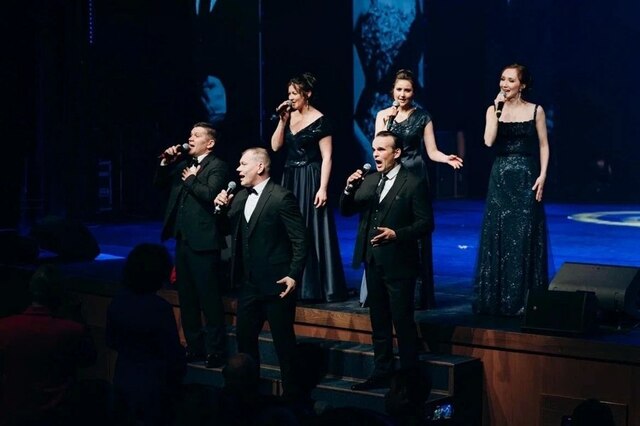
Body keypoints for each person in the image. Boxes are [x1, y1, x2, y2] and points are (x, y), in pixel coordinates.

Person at [361, 69, 463, 310]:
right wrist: (388, 122)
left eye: (407, 90)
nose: (402, 94)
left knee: (414, 230)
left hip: (414, 175)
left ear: (414, 92)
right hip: (390, 173)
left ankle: (416, 295)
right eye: (399, 89)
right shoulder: (383, 115)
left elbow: (432, 151)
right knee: (388, 224)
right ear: (392, 91)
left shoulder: (423, 117)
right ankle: (384, 290)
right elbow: (378, 147)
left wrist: (446, 158)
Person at [340, 131, 432, 391]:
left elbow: (426, 223)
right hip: (373, 262)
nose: (375, 155)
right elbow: (346, 210)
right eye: (374, 149)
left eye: (381, 150)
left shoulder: (413, 182)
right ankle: (382, 370)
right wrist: (349, 188)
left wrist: (397, 234)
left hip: (400, 264)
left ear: (397, 152)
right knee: (378, 320)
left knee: (402, 321)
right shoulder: (370, 180)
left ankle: (409, 378)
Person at [214, 147, 308, 398]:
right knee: (245, 341)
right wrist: (220, 209)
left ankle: (293, 397)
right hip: (249, 285)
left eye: (243, 164)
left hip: (277, 284)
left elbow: (300, 239)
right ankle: (248, 395)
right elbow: (226, 231)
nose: (238, 169)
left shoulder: (281, 197)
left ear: (260, 167)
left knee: (284, 344)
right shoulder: (240, 197)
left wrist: (294, 274)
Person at [473, 63, 550, 316]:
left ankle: (524, 298)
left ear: (522, 85)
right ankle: (499, 298)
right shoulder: (493, 109)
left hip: (526, 177)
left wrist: (542, 175)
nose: (504, 84)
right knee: (499, 233)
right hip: (501, 179)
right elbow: (488, 141)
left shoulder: (536, 110)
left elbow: (543, 145)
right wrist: (497, 110)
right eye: (502, 79)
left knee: (524, 234)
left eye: (510, 80)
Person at [154, 122, 230, 368]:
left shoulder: (217, 166)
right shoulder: (184, 164)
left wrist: (191, 180)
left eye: (196, 135)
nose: (190, 138)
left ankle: (215, 350)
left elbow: (210, 194)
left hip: (204, 242)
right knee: (187, 298)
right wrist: (166, 162)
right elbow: (159, 185)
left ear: (210, 143)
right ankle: (194, 347)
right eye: (190, 134)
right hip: (183, 241)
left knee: (209, 299)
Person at [270, 72, 347, 303]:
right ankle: (289, 279)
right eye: (289, 93)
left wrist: (323, 188)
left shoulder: (320, 120)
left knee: (310, 227)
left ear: (308, 94)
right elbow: (275, 147)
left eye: (295, 93)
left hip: (310, 177)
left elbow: (327, 157)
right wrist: (282, 121)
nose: (291, 97)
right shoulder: (288, 116)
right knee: (288, 226)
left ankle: (312, 286)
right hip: (290, 176)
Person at [0, 264, 96, 426]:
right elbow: (89, 359)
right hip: (57, 416)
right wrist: (78, 314)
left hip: (13, 414)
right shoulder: (72, 330)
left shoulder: (4, 327)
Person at [105, 243, 187, 426]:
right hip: (153, 388)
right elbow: (172, 354)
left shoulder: (117, 302)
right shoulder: (160, 309)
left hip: (123, 380)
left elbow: (110, 340)